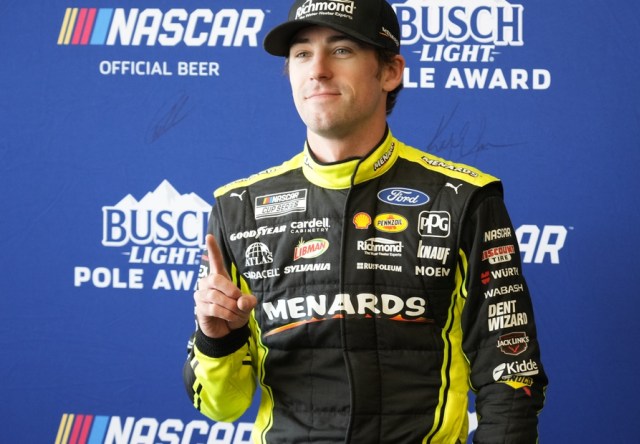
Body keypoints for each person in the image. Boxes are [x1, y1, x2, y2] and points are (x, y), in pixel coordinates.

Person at [183, 0, 548, 442]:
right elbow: (222, 406)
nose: (317, 69)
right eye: (301, 53)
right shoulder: (237, 207)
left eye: (341, 50)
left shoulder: (464, 199)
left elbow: (510, 373)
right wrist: (218, 339)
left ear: (390, 72)